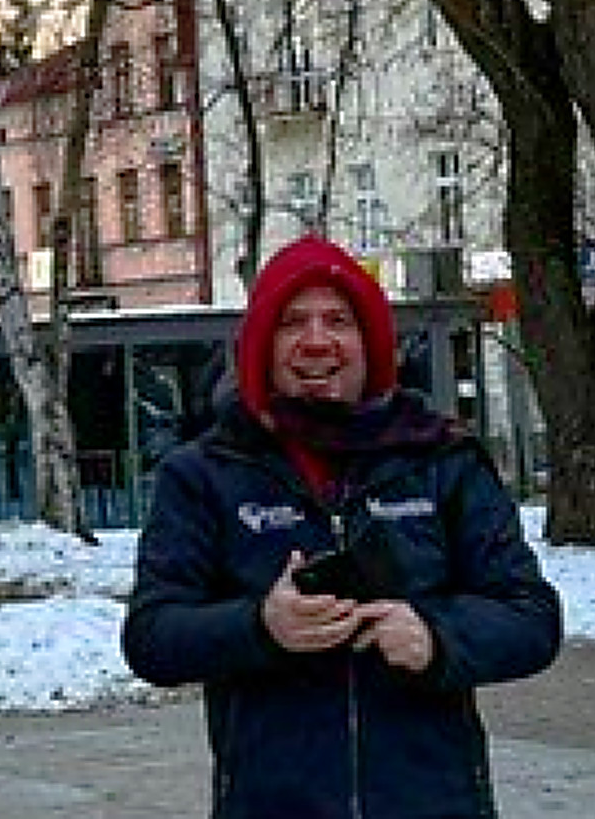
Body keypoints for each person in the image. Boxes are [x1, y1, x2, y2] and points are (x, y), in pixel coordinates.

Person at [122, 234, 560, 818]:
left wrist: (435, 637)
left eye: (338, 321)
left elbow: (531, 618)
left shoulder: (439, 460)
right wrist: (260, 625)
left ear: (370, 343)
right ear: (262, 346)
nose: (316, 341)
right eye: (292, 322)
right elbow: (151, 637)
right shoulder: (205, 474)